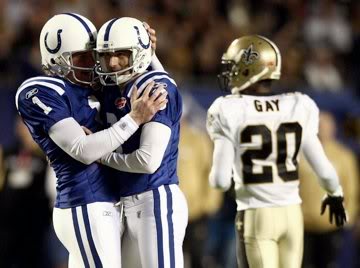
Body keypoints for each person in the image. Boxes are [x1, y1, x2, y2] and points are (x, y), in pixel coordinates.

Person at [15, 13, 167, 268]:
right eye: (82, 56)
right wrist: (133, 119)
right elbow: (82, 149)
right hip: (85, 201)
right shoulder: (41, 90)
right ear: (56, 56)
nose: (91, 63)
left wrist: (146, 51)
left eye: (93, 55)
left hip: (108, 202)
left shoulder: (98, 86)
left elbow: (160, 90)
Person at [206, 35, 347, 268]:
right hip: (292, 214)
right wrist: (335, 193)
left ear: (249, 70)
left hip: (256, 214)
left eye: (234, 67)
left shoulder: (228, 109)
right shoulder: (298, 105)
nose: (230, 73)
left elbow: (220, 181)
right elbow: (325, 170)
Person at [94, 17, 188, 267]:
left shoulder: (156, 87)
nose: (113, 63)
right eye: (107, 55)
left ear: (139, 53)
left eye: (121, 54)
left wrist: (99, 154)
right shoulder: (111, 88)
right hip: (126, 204)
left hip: (155, 200)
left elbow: (147, 161)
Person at [300, 111, 359, 268]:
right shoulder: (301, 154)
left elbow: (351, 189)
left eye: (326, 125)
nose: (322, 129)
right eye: (319, 125)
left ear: (333, 128)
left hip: (331, 225)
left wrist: (349, 216)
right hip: (304, 224)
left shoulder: (344, 156)